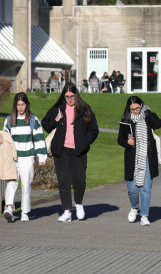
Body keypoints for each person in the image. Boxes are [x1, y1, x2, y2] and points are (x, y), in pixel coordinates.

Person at [42, 82, 99, 222]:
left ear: (76, 95)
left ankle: (78, 203)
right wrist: (56, 120)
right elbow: (46, 124)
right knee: (63, 181)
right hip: (61, 151)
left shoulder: (85, 109)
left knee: (79, 180)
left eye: (72, 96)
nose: (69, 99)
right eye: (67, 97)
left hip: (79, 151)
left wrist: (85, 143)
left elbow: (94, 130)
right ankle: (67, 211)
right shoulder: (58, 109)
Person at [117, 95, 161, 225]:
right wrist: (127, 141)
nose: (135, 111)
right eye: (132, 109)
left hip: (148, 156)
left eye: (137, 108)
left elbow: (158, 124)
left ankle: (144, 215)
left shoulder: (148, 117)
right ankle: (134, 207)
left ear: (141, 105)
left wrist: (147, 111)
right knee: (132, 189)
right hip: (133, 158)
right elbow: (120, 139)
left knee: (146, 187)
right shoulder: (126, 120)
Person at [1, 92, 47, 222]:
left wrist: (42, 157)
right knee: (11, 183)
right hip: (13, 158)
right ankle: (9, 208)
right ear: (15, 106)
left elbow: (39, 139)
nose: (20, 107)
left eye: (23, 104)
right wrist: (0, 139)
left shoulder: (33, 120)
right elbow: (5, 138)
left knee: (26, 185)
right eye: (18, 105)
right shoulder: (9, 120)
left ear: (27, 105)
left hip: (27, 157)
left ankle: (25, 213)